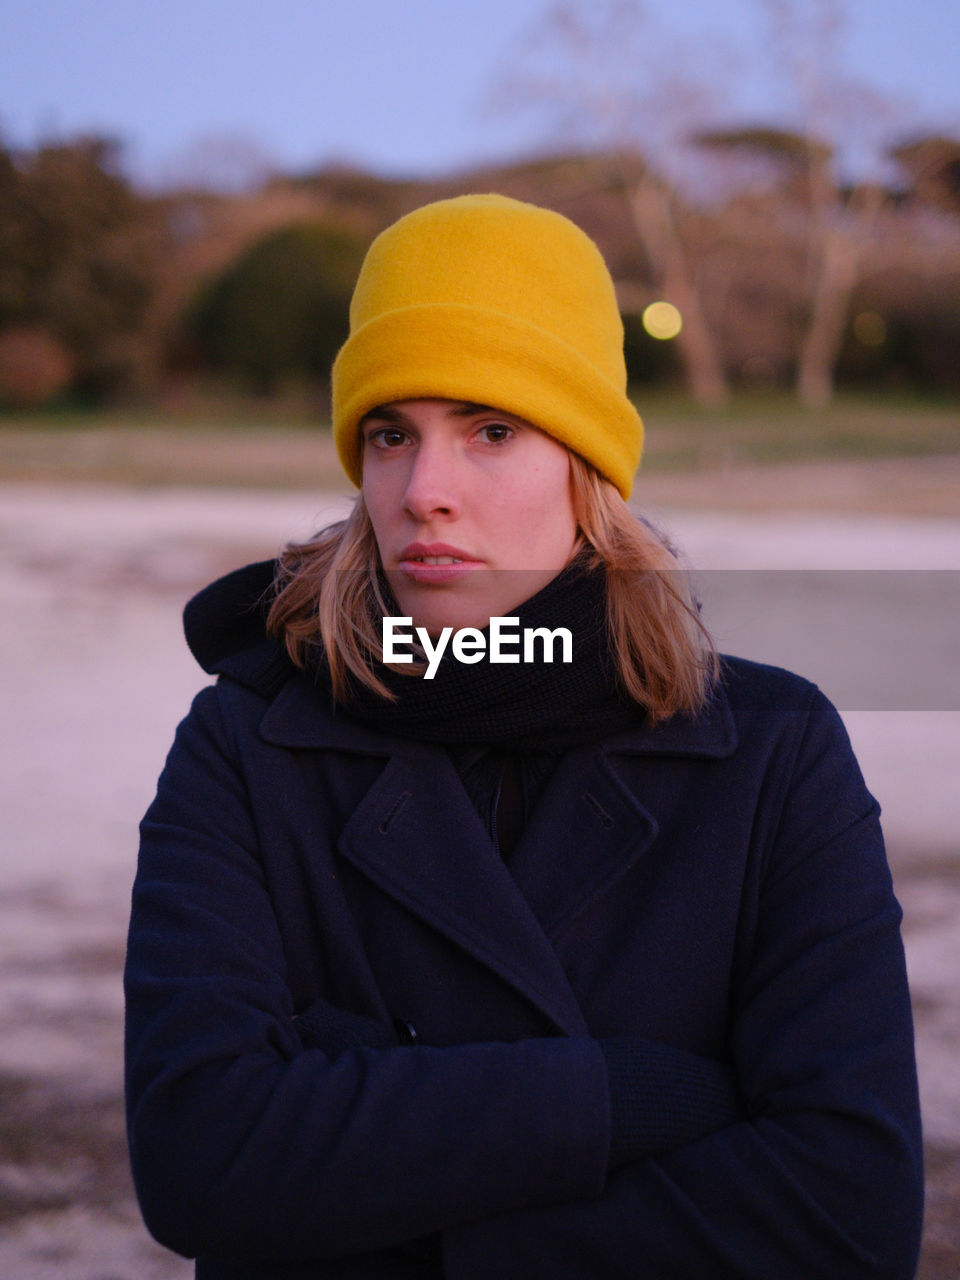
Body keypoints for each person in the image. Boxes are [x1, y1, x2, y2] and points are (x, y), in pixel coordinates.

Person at [124, 194, 924, 1279]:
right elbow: (201, 1158)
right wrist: (624, 1094)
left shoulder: (775, 751)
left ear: (586, 464)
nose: (425, 493)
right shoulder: (248, 741)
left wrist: (366, 1163)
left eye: (491, 429)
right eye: (390, 433)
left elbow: (845, 1214)